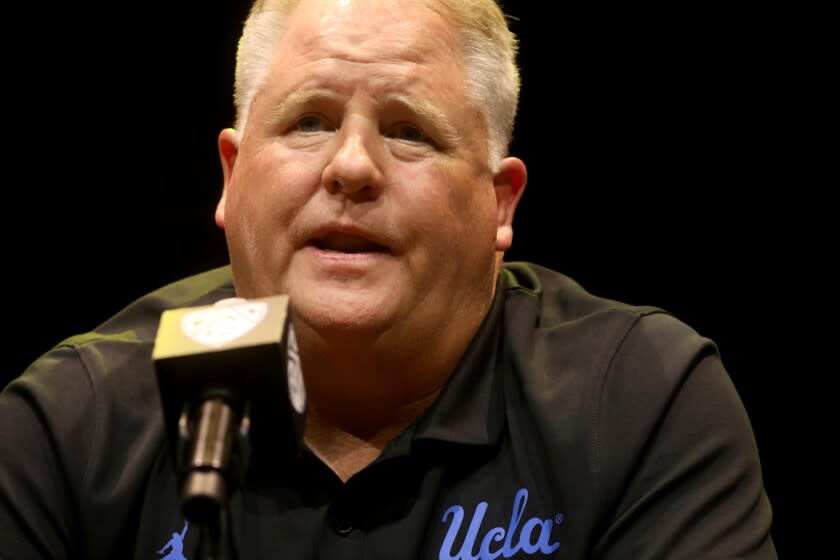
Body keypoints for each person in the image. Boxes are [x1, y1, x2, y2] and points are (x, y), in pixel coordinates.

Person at [0, 0, 776, 558]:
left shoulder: (640, 397)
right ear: (231, 178)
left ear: (499, 201)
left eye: (409, 132)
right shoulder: (73, 419)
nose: (352, 166)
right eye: (309, 121)